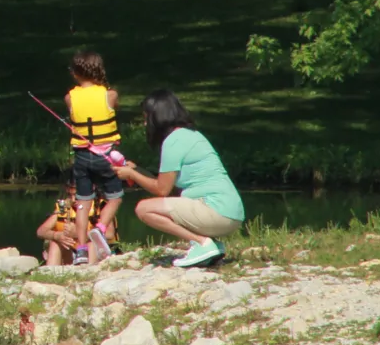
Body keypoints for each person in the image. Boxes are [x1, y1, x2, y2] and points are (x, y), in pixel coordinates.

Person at [113, 89, 245, 268]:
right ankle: (213, 246)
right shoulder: (190, 134)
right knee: (173, 200)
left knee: (143, 209)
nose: (144, 123)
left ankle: (201, 243)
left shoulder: (173, 141)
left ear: (157, 117)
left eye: (146, 118)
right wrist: (138, 170)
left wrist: (131, 175)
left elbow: (162, 190)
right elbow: (170, 187)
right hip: (231, 212)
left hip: (217, 211)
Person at [64, 50, 125, 264]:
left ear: (75, 73)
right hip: (106, 156)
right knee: (115, 196)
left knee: (83, 202)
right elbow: (114, 109)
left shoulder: (69, 97)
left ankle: (80, 250)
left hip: (81, 156)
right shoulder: (110, 95)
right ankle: (100, 227)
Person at [35, 182, 119, 266]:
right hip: (73, 251)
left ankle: (87, 270)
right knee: (55, 243)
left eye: (77, 195)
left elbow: (110, 234)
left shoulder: (101, 206)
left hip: (100, 251)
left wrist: (78, 233)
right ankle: (51, 273)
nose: (73, 199)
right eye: (70, 195)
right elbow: (41, 231)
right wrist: (56, 235)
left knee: (91, 243)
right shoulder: (65, 208)